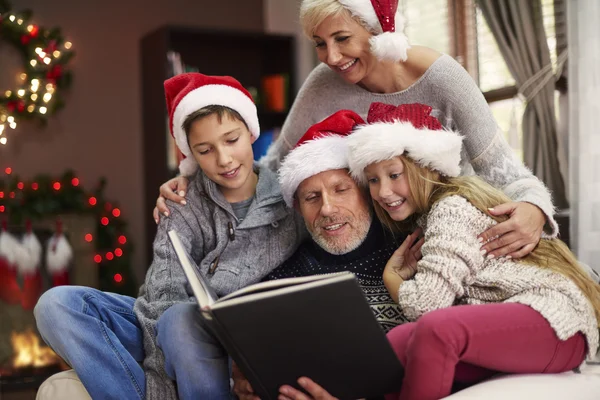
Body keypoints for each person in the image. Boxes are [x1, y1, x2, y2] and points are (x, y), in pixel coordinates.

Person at [153, 0, 556, 262]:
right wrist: (190, 181)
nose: (332, 57)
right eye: (319, 43)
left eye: (342, 39)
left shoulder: (443, 78)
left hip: (452, 237)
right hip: (370, 245)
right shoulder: (321, 84)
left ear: (377, 27)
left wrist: (535, 209)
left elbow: (508, 175)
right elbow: (272, 169)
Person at [34, 73, 303, 400]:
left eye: (232, 140)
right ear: (190, 154)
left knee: (181, 321)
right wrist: (160, 385)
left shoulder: (292, 199)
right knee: (55, 304)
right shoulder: (182, 202)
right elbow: (163, 296)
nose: (224, 159)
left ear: (250, 132)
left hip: (233, 339)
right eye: (205, 150)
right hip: (167, 329)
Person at [342, 102, 600, 400]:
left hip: (555, 324)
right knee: (397, 341)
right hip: (524, 330)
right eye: (373, 180)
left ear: (427, 167)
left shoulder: (450, 209)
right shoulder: (427, 220)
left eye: (394, 175)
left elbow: (428, 306)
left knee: (435, 330)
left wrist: (393, 280)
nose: (383, 192)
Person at [233, 109, 418, 400]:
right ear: (298, 208)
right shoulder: (282, 278)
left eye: (340, 189)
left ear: (366, 192)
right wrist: (250, 382)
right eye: (312, 197)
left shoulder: (412, 249)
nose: (327, 209)